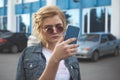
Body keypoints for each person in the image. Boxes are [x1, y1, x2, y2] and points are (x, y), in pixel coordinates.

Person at [16, 5, 81, 80]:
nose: (55, 31)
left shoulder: (70, 56)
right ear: (40, 30)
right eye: (49, 28)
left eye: (59, 27)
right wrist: (55, 59)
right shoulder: (28, 54)